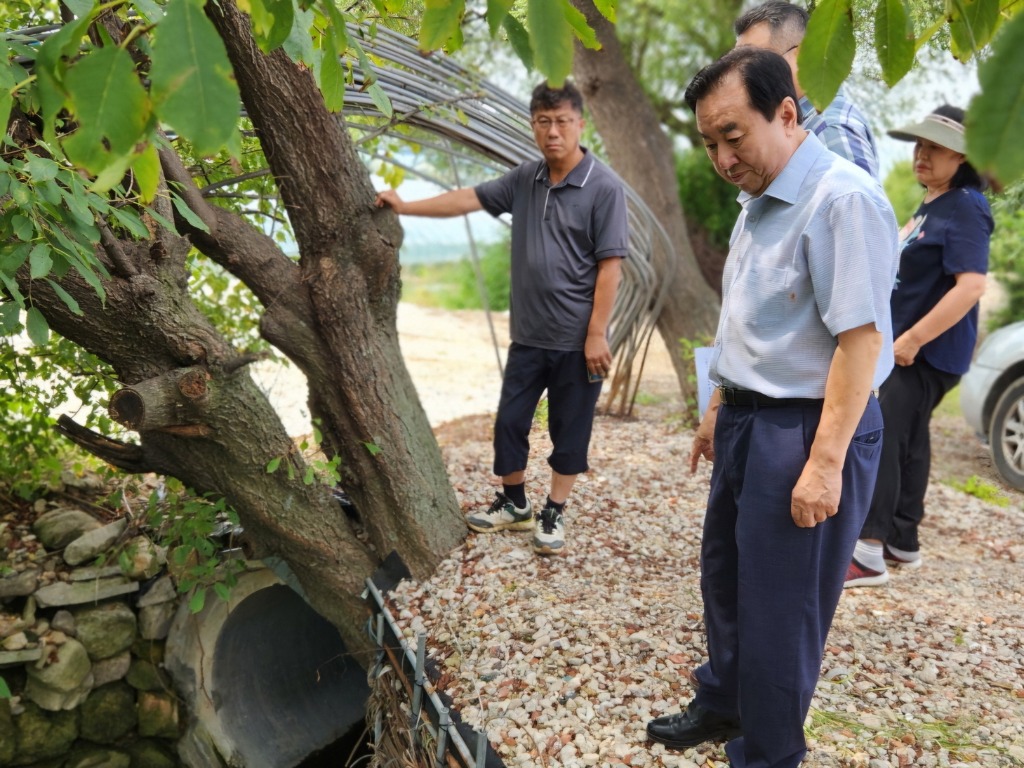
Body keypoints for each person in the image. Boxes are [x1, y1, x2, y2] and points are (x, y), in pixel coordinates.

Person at [644, 47, 898, 767]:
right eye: (709, 142)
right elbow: (754, 318)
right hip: (752, 416)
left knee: (781, 607)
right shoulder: (758, 195)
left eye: (734, 135)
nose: (723, 158)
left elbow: (858, 343)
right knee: (724, 572)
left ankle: (770, 752)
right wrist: (721, 401)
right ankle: (724, 703)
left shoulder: (841, 200)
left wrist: (825, 464)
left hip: (812, 425)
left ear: (787, 113)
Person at [374, 81, 627, 557]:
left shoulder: (603, 187)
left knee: (569, 431)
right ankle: (514, 504)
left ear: (580, 124)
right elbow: (466, 199)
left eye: (562, 122)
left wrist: (597, 333)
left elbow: (610, 265)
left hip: (577, 342)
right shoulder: (524, 180)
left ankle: (554, 511)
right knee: (510, 423)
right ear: (533, 125)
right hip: (529, 337)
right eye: (543, 122)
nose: (553, 132)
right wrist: (406, 205)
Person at [844, 106, 992, 588]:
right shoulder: (934, 202)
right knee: (909, 438)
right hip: (905, 346)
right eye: (918, 145)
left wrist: (911, 340)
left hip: (925, 351)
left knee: (883, 436)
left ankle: (867, 551)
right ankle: (903, 541)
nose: (921, 154)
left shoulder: (966, 204)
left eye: (933, 147)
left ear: (963, 155)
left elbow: (970, 287)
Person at [734, 0, 879, 178]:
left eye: (755, 64)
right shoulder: (801, 127)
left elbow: (857, 204)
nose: (744, 78)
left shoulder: (828, 129)